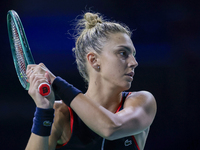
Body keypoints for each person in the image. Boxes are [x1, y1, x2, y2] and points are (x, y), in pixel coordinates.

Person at [25, 12, 157, 150]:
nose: (134, 62)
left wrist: (56, 82)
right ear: (94, 60)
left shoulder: (142, 102)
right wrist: (44, 111)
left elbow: (111, 128)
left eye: (133, 55)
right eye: (123, 53)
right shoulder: (61, 113)